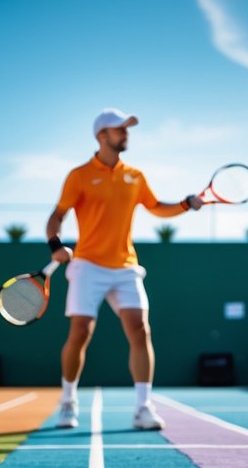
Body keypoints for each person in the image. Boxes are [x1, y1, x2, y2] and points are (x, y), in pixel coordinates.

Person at [46, 108, 203, 430]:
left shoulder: (136, 175)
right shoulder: (78, 175)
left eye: (128, 130)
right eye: (121, 130)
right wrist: (55, 245)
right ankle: (68, 402)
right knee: (80, 332)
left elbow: (157, 208)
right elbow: (57, 215)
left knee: (140, 330)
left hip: (126, 265)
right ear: (102, 136)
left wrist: (186, 204)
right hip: (87, 265)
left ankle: (143, 408)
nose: (127, 134)